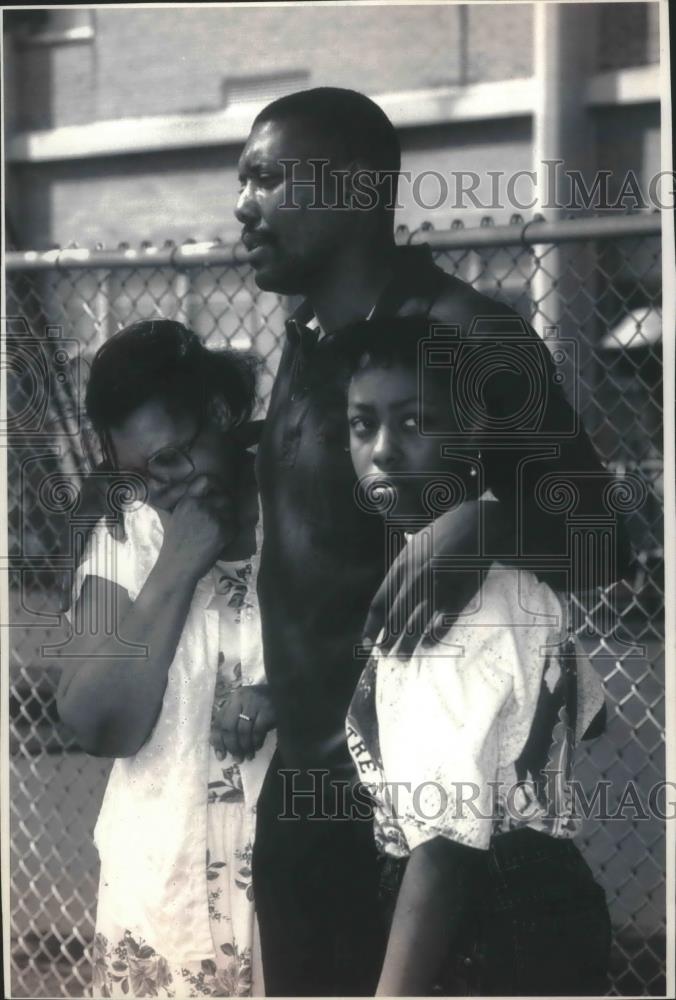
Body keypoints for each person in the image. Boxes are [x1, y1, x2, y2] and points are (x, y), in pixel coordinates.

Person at [234, 87, 629, 995]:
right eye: (241, 182)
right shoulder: (312, 345)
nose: (244, 205)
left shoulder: (463, 334)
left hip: (429, 838)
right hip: (305, 798)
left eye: (267, 179)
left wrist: (485, 519)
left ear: (358, 191)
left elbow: (606, 537)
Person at [338, 316, 611, 996]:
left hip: (478, 919)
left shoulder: (451, 603)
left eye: (413, 422)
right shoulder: (510, 569)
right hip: (549, 892)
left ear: (473, 437)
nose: (383, 451)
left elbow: (446, 844)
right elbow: (592, 715)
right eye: (361, 424)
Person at [56, 320, 276, 998]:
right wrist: (176, 567)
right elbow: (97, 726)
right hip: (161, 893)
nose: (161, 489)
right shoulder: (127, 540)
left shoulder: (302, 519)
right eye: (138, 474)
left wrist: (290, 695)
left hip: (288, 888)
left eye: (174, 458)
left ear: (220, 412)